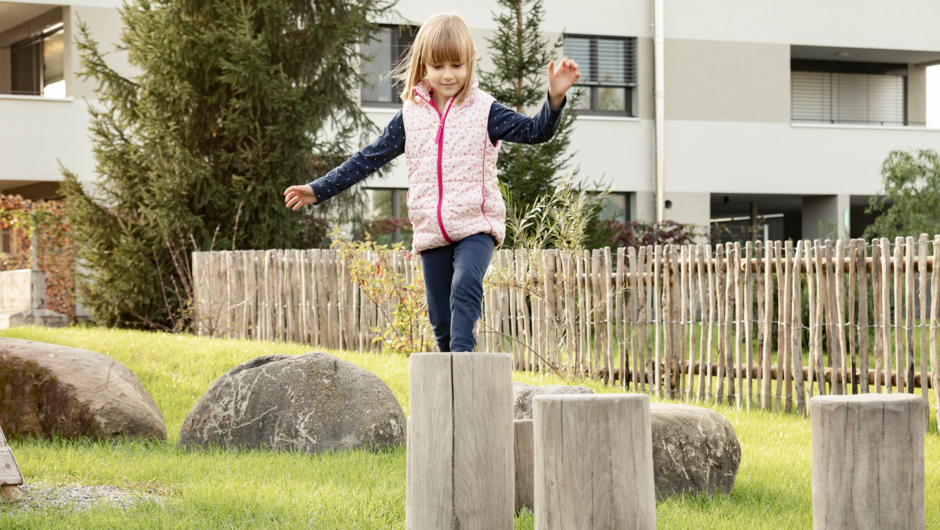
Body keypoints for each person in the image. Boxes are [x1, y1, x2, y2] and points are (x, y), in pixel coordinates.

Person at [283, 12, 580, 353]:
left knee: (466, 284)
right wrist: (318, 189)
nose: (448, 74)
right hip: (431, 233)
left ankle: (464, 367)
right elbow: (368, 158)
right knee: (440, 321)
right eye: (438, 66)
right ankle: (448, 380)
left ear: (469, 64)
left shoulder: (485, 110)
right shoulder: (410, 115)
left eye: (456, 65)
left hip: (475, 226)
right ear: (424, 66)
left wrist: (554, 97)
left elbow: (536, 131)